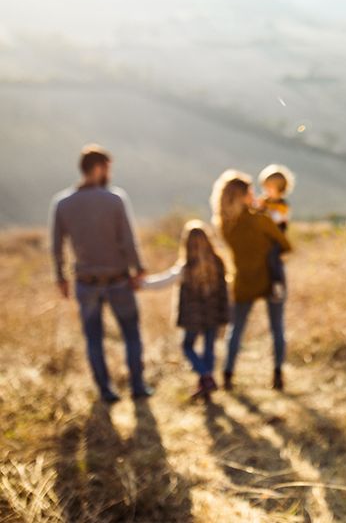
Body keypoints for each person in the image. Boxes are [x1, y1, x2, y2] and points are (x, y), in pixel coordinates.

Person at [50, 144, 153, 403]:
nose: (109, 173)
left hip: (85, 282)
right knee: (131, 333)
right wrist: (138, 269)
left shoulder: (63, 203)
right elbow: (128, 240)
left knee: (93, 338)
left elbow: (56, 245)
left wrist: (60, 277)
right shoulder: (114, 198)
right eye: (107, 168)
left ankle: (106, 390)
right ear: (98, 168)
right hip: (118, 279)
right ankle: (138, 386)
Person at [210, 170, 291, 391]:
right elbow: (285, 244)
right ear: (243, 196)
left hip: (243, 279)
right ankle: (277, 374)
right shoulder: (261, 220)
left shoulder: (225, 225)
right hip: (272, 278)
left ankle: (227, 374)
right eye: (250, 191)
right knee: (277, 328)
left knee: (235, 329)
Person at [141, 220, 229, 401]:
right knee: (209, 349)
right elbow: (225, 291)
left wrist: (140, 283)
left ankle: (205, 377)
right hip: (213, 314)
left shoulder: (186, 266)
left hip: (193, 317)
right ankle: (206, 383)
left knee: (187, 346)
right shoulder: (218, 262)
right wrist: (225, 312)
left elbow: (163, 281)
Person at [254, 164, 295, 303]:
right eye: (265, 187)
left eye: (269, 188)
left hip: (276, 238)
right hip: (264, 238)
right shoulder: (264, 201)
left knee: (273, 259)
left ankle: (277, 284)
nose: (266, 191)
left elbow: (277, 219)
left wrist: (265, 212)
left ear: (280, 189)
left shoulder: (282, 204)